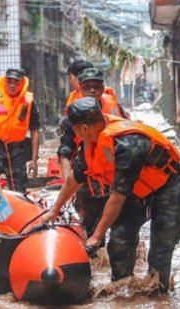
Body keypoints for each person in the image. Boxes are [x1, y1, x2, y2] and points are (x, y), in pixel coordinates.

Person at [42, 97, 180, 292]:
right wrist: (54, 210)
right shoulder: (91, 145)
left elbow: (117, 197)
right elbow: (73, 179)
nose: (73, 133)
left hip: (166, 185)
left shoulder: (126, 145)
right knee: (119, 238)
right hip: (137, 189)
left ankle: (159, 294)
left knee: (161, 247)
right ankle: (121, 292)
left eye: (74, 128)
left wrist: (95, 237)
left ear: (84, 128)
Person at [58, 68, 130, 243]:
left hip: (114, 183)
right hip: (86, 185)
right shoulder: (71, 118)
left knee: (122, 235)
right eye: (87, 87)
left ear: (103, 87)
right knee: (92, 235)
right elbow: (65, 153)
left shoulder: (115, 110)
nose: (92, 91)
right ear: (79, 88)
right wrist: (69, 185)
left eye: (96, 87)